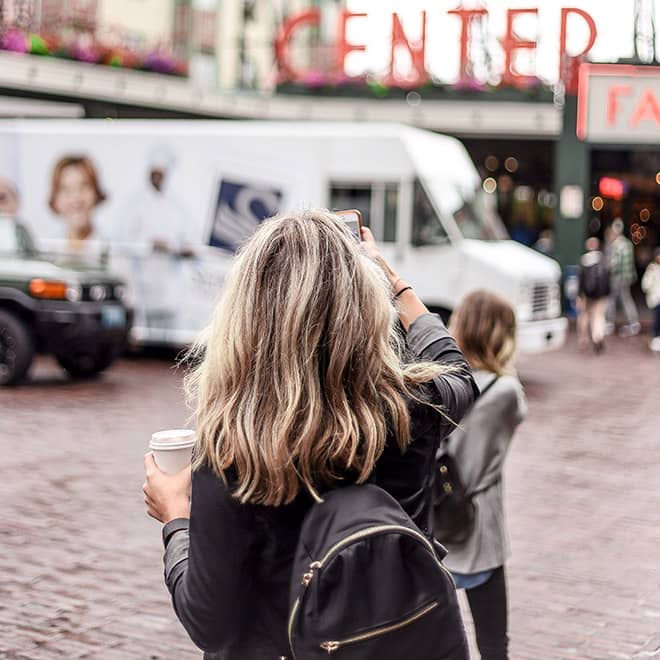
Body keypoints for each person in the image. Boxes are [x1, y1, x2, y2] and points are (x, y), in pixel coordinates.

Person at [142, 209, 479, 659]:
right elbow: (458, 372)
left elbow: (210, 623)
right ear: (363, 304)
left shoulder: (231, 452)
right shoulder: (409, 409)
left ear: (245, 316)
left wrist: (175, 519)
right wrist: (393, 280)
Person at [443, 290, 527, 660]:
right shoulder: (505, 392)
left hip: (434, 520)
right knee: (494, 645)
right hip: (480, 528)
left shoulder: (439, 383)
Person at [48, 155, 107, 251]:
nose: (76, 198)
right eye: (66, 189)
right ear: (55, 199)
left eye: (83, 187)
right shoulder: (45, 253)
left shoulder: (116, 255)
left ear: (96, 193)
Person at [605, 219, 640, 337]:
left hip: (617, 278)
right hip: (627, 277)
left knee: (611, 300)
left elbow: (613, 265)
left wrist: (606, 267)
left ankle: (609, 324)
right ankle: (634, 323)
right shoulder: (628, 244)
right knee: (626, 299)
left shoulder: (616, 245)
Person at [577, 237, 610, 353]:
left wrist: (579, 295)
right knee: (598, 316)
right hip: (600, 296)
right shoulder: (603, 260)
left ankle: (583, 340)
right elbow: (607, 279)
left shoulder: (584, 261)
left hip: (587, 295)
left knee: (585, 316)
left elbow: (580, 280)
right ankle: (597, 336)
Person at [642, 248, 660, 353]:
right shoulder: (651, 269)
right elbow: (645, 285)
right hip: (656, 299)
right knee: (657, 319)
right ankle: (656, 337)